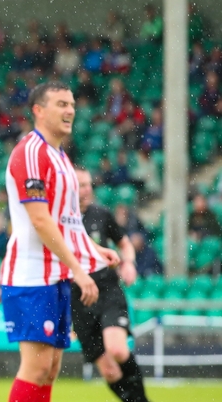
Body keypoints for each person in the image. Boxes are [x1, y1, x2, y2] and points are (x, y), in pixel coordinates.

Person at [0, 82, 117, 402]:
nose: (70, 110)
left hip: (54, 276)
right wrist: (79, 271)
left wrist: (93, 248)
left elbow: (68, 221)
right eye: (61, 104)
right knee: (36, 368)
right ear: (38, 111)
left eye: (71, 104)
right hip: (31, 275)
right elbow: (40, 220)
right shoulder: (30, 152)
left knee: (50, 368)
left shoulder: (60, 157)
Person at [75, 169, 150, 402]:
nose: (86, 190)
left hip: (107, 290)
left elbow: (124, 244)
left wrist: (128, 263)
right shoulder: (58, 220)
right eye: (80, 185)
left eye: (88, 184)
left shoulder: (101, 214)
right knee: (109, 371)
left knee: (117, 349)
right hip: (77, 298)